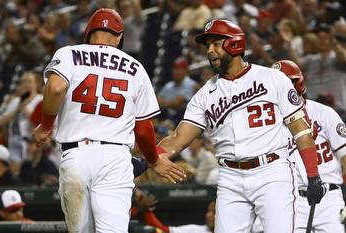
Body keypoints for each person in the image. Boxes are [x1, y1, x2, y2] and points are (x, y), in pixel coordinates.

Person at [156, 19, 327, 233]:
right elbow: (177, 139)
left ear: (234, 44)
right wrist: (149, 157)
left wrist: (313, 175)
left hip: (272, 172)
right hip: (230, 177)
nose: (209, 51)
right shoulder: (203, 96)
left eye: (216, 44)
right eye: (207, 46)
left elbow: (301, 130)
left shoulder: (272, 78)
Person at [33, 8, 185, 233]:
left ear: (88, 33)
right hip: (116, 160)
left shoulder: (69, 53)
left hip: (76, 155)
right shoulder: (136, 68)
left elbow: (55, 88)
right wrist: (153, 159)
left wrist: (46, 126)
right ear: (120, 36)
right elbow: (143, 130)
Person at [271, 60, 346, 233]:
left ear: (298, 83)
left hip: (329, 198)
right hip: (292, 200)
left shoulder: (323, 113)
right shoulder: (270, 124)